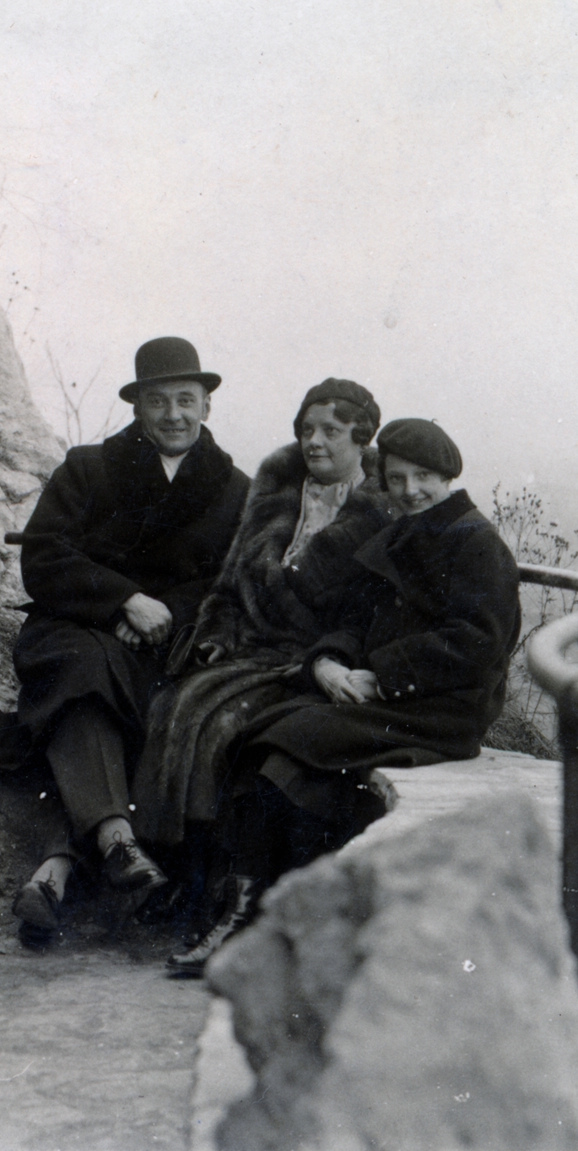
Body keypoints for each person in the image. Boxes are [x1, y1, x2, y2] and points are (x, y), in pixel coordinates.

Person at [166, 418, 522, 976]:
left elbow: (479, 642)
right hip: (386, 696)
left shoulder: (476, 542)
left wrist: (380, 675)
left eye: (424, 477)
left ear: (449, 476)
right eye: (399, 478)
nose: (410, 491)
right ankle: (254, 919)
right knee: (272, 747)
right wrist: (329, 662)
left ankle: (247, 922)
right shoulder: (399, 535)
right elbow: (353, 616)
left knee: (291, 739)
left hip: (442, 709)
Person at [130, 379, 396, 967]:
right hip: (250, 648)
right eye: (307, 430)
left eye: (330, 431)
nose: (314, 442)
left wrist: (327, 658)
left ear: (363, 435)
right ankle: (186, 875)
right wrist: (218, 633)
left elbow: (372, 611)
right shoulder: (278, 487)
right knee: (176, 706)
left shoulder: (381, 508)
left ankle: (223, 897)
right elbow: (230, 581)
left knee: (224, 725)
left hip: (312, 659)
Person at [7, 337, 250, 944]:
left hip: (170, 642)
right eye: (159, 401)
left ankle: (59, 868)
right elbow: (44, 556)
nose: (174, 414)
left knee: (140, 705)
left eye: (186, 400)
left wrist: (163, 613)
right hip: (77, 625)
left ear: (207, 407)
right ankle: (117, 839)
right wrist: (121, 600)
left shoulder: (235, 489)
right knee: (83, 671)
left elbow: (232, 582)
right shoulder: (88, 468)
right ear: (138, 408)